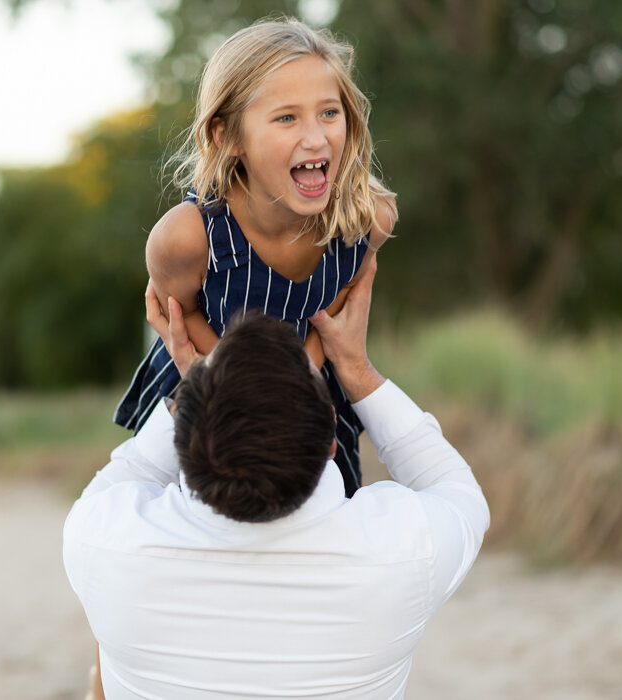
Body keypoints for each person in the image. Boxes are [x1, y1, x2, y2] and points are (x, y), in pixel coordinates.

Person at [65, 258, 490, 699]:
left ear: (185, 438)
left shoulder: (104, 542)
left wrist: (197, 389)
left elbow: (128, 475)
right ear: (331, 439)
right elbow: (456, 490)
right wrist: (355, 367)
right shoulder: (399, 553)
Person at [114, 17, 398, 499]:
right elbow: (177, 320)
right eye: (287, 118)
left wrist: (302, 378)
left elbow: (333, 314)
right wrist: (245, 377)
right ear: (227, 136)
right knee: (199, 532)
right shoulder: (186, 238)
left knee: (322, 523)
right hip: (203, 381)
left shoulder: (366, 219)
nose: (316, 138)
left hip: (310, 388)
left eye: (329, 113)